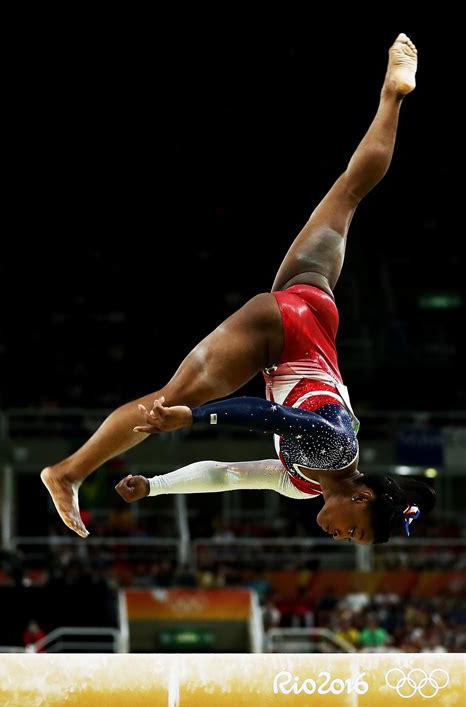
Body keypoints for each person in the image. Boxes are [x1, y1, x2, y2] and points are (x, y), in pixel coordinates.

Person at [42, 33, 435, 544]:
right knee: (166, 402)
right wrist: (195, 416)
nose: (341, 537)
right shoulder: (333, 452)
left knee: (349, 191)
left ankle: (393, 93)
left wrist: (155, 487)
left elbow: (226, 476)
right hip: (284, 334)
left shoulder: (304, 483)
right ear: (360, 498)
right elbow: (265, 414)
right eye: (354, 533)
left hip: (315, 311)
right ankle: (67, 473)